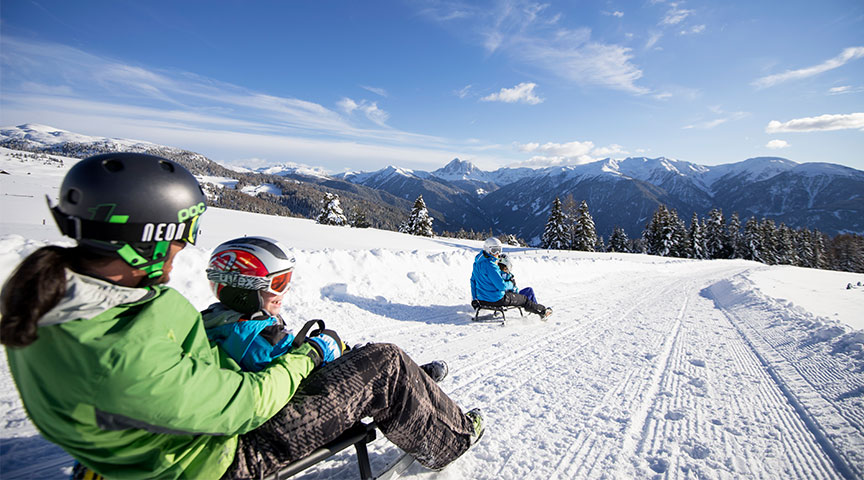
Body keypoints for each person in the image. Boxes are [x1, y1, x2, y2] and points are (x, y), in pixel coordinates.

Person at [0, 153, 483, 480]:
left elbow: (188, 366)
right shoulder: (117, 355)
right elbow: (246, 404)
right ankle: (454, 437)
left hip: (149, 448)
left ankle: (411, 389)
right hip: (223, 457)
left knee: (360, 369)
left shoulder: (46, 306)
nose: (181, 248)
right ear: (143, 237)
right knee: (385, 363)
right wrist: (306, 357)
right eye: (178, 235)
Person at [201, 235, 449, 381]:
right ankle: (404, 379)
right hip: (308, 403)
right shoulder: (254, 338)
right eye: (278, 283)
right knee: (378, 356)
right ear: (245, 287)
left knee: (353, 351)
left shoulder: (221, 323)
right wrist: (323, 346)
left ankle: (405, 373)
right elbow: (290, 370)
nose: (284, 291)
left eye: (286, 281)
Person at [470, 237, 552, 318]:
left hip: (482, 300)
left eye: (499, 250)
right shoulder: (491, 266)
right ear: (487, 249)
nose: (497, 253)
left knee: (519, 296)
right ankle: (543, 312)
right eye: (494, 250)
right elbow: (501, 286)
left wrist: (475, 298)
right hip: (496, 299)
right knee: (524, 299)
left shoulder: (477, 263)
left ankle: (539, 310)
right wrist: (511, 284)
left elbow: (473, 281)